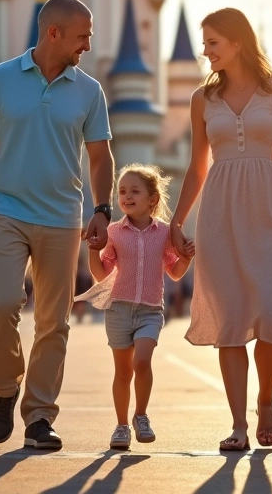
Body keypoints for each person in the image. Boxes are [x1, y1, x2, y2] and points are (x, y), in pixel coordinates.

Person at [0, 0, 114, 451]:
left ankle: (40, 415)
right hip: (4, 210)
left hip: (63, 217)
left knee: (54, 321)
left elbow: (100, 156)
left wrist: (101, 209)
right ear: (54, 33)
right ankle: (5, 389)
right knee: (3, 303)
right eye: (83, 35)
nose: (88, 44)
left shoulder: (89, 90)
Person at [169, 8, 272, 452]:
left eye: (213, 42)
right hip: (219, 212)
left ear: (237, 42)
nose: (205, 51)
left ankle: (265, 401)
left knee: (271, 315)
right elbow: (197, 167)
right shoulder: (202, 99)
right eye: (205, 43)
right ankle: (238, 423)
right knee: (231, 319)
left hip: (268, 208)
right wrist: (177, 221)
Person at [79, 164, 194, 450]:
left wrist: (188, 258)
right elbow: (101, 274)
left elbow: (175, 272)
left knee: (141, 362)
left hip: (150, 312)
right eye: (121, 191)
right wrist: (93, 249)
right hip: (119, 311)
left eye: (134, 191)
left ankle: (140, 416)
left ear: (152, 198)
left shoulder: (165, 232)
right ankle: (120, 427)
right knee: (123, 372)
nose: (126, 196)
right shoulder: (114, 232)